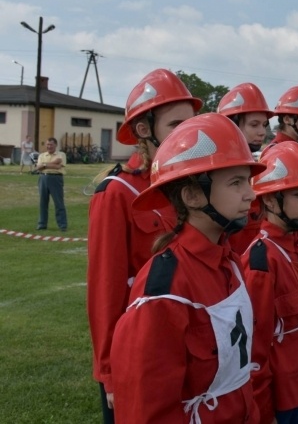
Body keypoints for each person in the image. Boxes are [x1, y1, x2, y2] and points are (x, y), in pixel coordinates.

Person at [109, 113, 265, 423]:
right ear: (192, 195)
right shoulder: (165, 287)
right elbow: (147, 409)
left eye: (247, 180)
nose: (250, 193)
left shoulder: (228, 260)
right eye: (236, 182)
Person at [86, 68, 201, 423]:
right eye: (175, 125)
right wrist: (109, 371)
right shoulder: (117, 193)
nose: (185, 136)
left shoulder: (190, 188)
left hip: (189, 344)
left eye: (190, 126)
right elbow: (106, 289)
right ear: (143, 129)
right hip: (138, 350)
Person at [242, 141, 298, 424]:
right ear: (269, 200)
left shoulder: (296, 245)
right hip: (276, 396)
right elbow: (254, 346)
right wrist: (264, 413)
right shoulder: (262, 260)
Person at [217, 82, 274, 255]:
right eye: (254, 124)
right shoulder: (216, 176)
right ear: (231, 125)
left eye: (264, 125)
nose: (262, 132)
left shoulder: (259, 169)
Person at [35, 137, 68, 231]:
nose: (49, 146)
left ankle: (62, 225)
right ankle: (42, 224)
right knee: (43, 202)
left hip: (55, 178)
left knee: (58, 203)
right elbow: (39, 167)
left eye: (51, 145)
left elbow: (58, 166)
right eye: (48, 144)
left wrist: (44, 164)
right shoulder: (42, 155)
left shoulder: (61, 154)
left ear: (55, 145)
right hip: (43, 178)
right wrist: (49, 164)